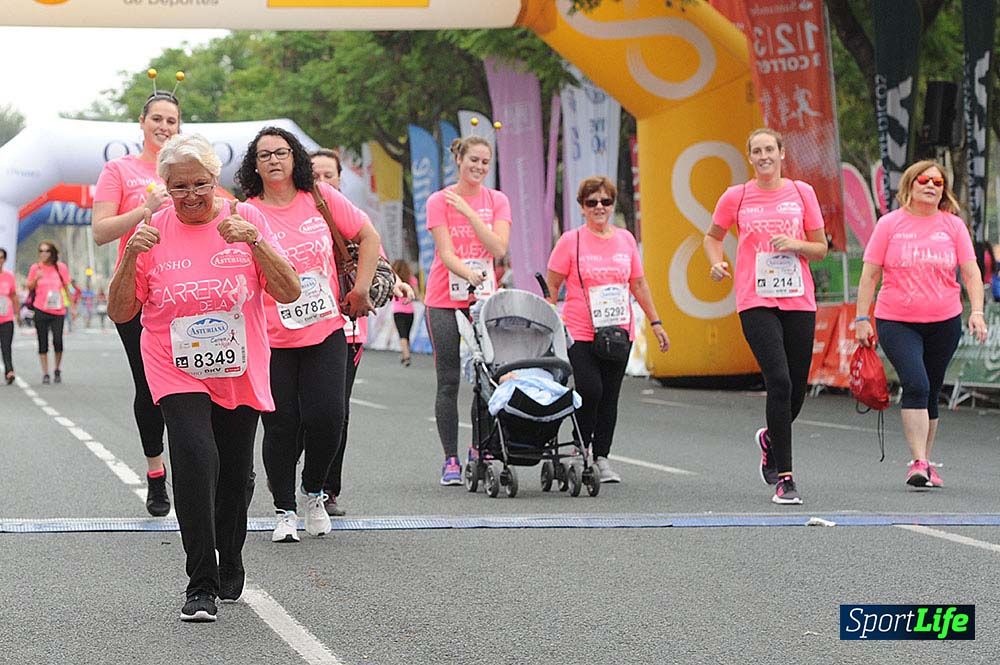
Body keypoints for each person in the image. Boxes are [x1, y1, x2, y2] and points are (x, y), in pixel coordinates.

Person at [107, 133, 299, 622]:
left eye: (201, 184)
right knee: (196, 458)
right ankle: (201, 581)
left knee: (233, 473)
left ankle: (229, 553)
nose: (192, 195)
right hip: (174, 363)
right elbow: (121, 310)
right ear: (164, 188)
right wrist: (130, 255)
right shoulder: (151, 228)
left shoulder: (245, 218)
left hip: (237, 364)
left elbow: (290, 291)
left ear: (216, 180)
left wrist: (255, 243)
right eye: (179, 187)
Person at [239, 128, 380, 540]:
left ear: (294, 157)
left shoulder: (319, 198)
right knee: (282, 425)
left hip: (325, 327)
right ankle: (284, 511)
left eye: (281, 152)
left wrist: (360, 288)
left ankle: (314, 491)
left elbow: (368, 235)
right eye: (264, 155)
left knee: (328, 417)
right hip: (273, 336)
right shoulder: (248, 212)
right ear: (255, 165)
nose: (274, 161)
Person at [703, 128, 827, 505]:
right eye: (756, 151)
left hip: (798, 298)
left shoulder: (802, 193)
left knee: (797, 388)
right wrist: (716, 263)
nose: (763, 156)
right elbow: (712, 236)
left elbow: (821, 248)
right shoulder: (736, 196)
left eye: (769, 149)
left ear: (782, 153)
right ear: (750, 157)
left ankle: (771, 437)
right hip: (756, 299)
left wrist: (796, 245)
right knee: (778, 380)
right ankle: (785, 479)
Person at [855, 160, 988, 489]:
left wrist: (977, 312)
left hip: (944, 321)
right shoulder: (890, 225)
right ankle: (917, 461)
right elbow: (870, 275)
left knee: (931, 389)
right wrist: (861, 318)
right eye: (924, 180)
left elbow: (971, 272)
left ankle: (926, 462)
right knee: (916, 383)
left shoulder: (953, 226)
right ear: (910, 186)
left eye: (938, 183)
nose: (931, 186)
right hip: (897, 320)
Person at [546, 176, 669, 483]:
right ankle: (579, 448)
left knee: (610, 395)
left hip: (618, 329)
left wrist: (656, 322)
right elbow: (552, 284)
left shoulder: (625, 240)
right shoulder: (570, 241)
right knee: (590, 389)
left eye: (605, 202)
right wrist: (549, 316)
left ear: (612, 205)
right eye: (592, 202)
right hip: (580, 329)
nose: (599, 207)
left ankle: (601, 456)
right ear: (582, 208)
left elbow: (638, 283)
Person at [92, 89, 179, 516]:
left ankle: (196, 467)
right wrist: (144, 209)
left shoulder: (186, 167)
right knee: (150, 387)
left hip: (186, 291)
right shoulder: (119, 170)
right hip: (137, 294)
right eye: (157, 119)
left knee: (194, 384)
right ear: (142, 123)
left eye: (172, 121)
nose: (164, 127)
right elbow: (101, 231)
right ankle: (155, 471)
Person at [425, 135, 512, 485]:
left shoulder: (498, 200)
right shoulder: (438, 200)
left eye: (485, 162)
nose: (479, 167)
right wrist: (470, 274)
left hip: (484, 299)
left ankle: (481, 448)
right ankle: (450, 459)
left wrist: (470, 213)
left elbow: (498, 246)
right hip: (445, 297)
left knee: (488, 379)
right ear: (459, 160)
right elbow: (446, 254)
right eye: (473, 160)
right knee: (448, 381)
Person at [26, 241, 72, 386]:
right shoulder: (36, 268)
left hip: (58, 310)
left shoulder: (60, 268)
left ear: (52, 253)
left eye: (46, 251)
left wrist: (73, 307)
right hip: (40, 309)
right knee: (43, 341)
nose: (43, 254)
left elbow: (66, 287)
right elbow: (29, 287)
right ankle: (45, 372)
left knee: (58, 340)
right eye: (41, 251)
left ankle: (57, 368)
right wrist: (36, 278)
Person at [391, 259, 418, 366]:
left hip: (398, 310)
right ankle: (405, 353)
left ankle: (406, 356)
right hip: (410, 311)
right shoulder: (411, 280)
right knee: (407, 333)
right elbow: (416, 294)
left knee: (402, 334)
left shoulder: (394, 280)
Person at [0, 247, 20, 385]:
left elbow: (13, 296)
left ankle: (9, 371)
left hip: (6, 318)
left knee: (6, 346)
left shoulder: (9, 277)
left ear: (5, 260)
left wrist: (18, 313)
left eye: (1, 257)